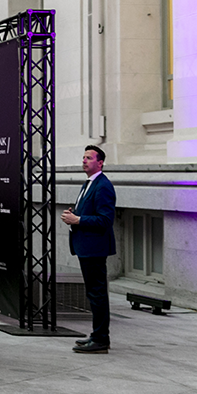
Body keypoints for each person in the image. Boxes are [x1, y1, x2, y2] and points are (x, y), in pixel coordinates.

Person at [62, 145, 117, 354]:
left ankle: (101, 339)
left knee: (97, 294)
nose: (84, 161)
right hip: (86, 247)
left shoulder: (103, 185)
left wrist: (78, 219)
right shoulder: (89, 184)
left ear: (100, 162)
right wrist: (74, 216)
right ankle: (96, 335)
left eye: (89, 158)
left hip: (94, 248)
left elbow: (105, 220)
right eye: (83, 157)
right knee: (94, 293)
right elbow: (88, 212)